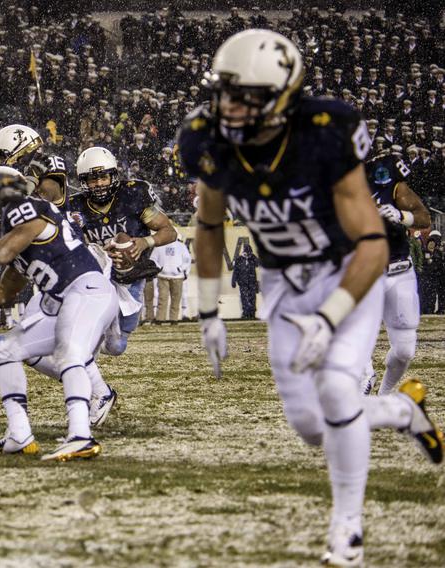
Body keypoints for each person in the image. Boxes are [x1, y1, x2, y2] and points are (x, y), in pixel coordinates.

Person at [178, 29, 443, 566]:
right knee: (311, 427)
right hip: (284, 284)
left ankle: (347, 531)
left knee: (340, 389)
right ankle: (400, 408)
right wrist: (209, 306)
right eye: (224, 92)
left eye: (244, 96)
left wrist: (331, 315)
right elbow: (208, 224)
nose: (228, 107)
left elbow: (372, 243)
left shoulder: (326, 131)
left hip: (347, 272)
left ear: (282, 98)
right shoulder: (206, 138)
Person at [0, 185, 119, 461]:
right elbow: (2, 295)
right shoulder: (19, 244)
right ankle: (19, 434)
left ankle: (81, 436)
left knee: (69, 352)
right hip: (67, 303)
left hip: (88, 290)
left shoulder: (24, 209)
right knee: (4, 348)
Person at [69, 146, 176, 353]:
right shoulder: (75, 206)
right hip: (97, 276)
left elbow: (169, 231)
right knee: (86, 334)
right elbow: (72, 247)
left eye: (103, 177)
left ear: (114, 176)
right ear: (83, 181)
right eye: (92, 179)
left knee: (117, 346)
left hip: (131, 275)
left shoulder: (133, 194)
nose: (99, 184)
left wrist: (145, 242)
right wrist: (100, 253)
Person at [360, 151, 430, 395]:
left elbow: (424, 217)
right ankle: (364, 375)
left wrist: (401, 216)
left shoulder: (384, 171)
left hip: (398, 269)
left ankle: (384, 395)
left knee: (404, 351)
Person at [151, 238, 191, 322]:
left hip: (177, 277)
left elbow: (187, 260)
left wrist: (180, 269)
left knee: (175, 300)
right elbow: (153, 259)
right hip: (163, 276)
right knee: (162, 299)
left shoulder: (181, 246)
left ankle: (173, 319)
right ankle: (160, 319)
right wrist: (159, 268)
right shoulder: (159, 246)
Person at [231, 244, 259, 319]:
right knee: (244, 298)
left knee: (252, 298)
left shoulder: (252, 259)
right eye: (246, 253)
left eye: (249, 253)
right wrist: (233, 281)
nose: (247, 255)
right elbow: (235, 271)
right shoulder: (239, 259)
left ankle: (252, 313)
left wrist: (252, 256)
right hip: (243, 282)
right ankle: (246, 313)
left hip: (252, 282)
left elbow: (257, 264)